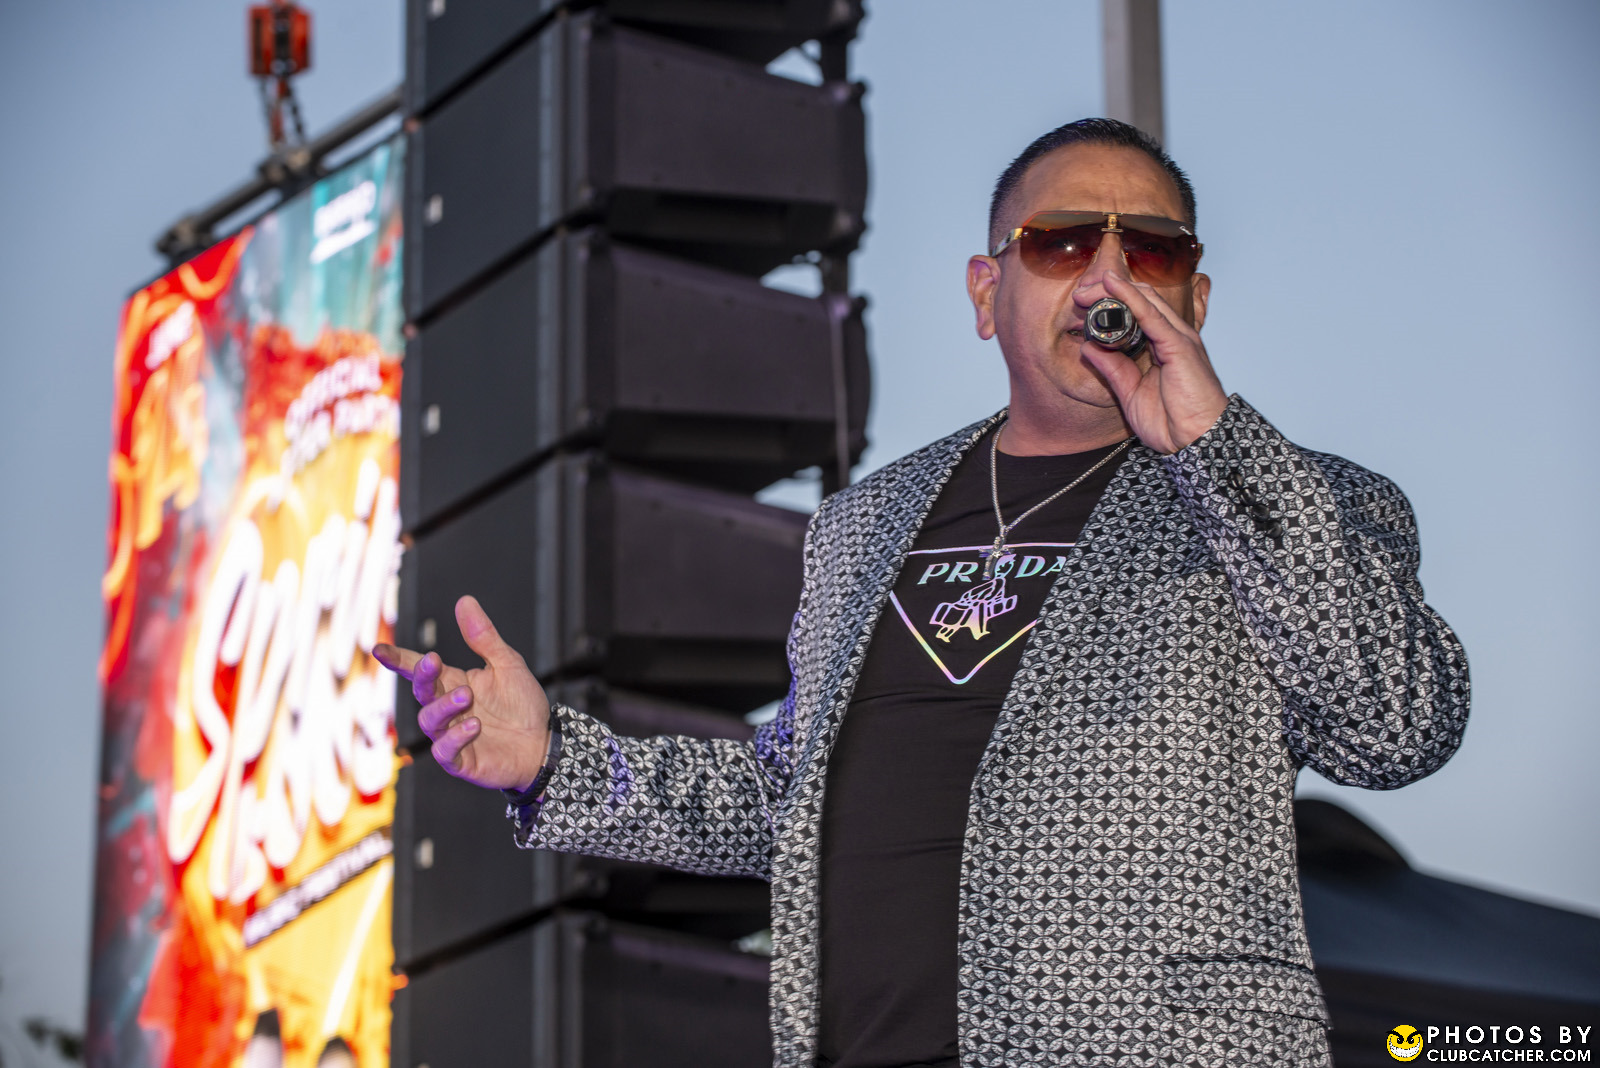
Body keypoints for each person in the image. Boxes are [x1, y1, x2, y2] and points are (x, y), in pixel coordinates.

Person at [373, 117, 1469, 1066]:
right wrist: (558, 761)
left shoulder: (1294, 502)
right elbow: (790, 802)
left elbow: (1397, 727)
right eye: (1061, 243)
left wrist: (1213, 446)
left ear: (1194, 296)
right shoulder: (865, 523)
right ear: (987, 292)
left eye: (1150, 249)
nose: (1107, 279)